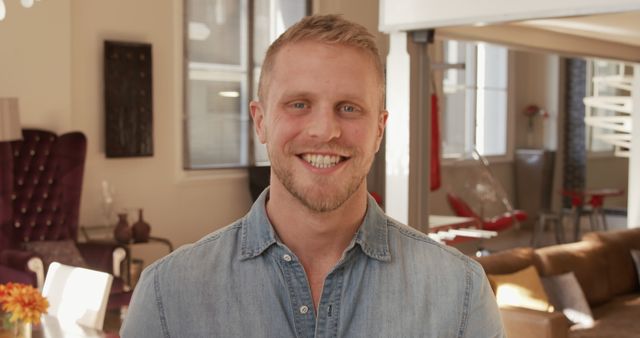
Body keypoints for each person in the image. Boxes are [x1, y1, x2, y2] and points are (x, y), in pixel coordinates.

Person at [121, 14, 505, 338]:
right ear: (260, 121)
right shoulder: (167, 295)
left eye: (349, 108)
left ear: (379, 131)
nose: (325, 130)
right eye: (299, 104)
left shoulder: (460, 294)